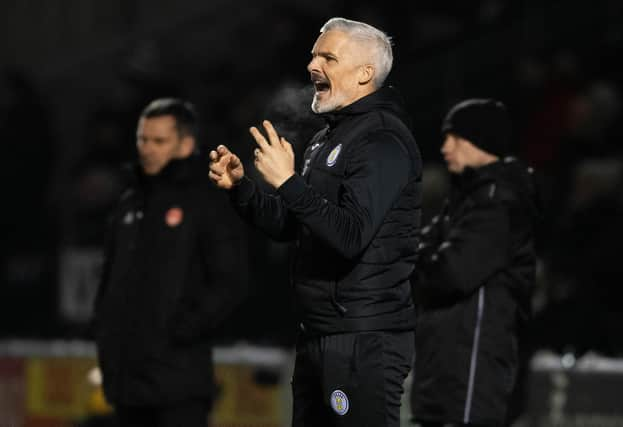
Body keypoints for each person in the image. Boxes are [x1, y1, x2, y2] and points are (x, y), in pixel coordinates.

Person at [209, 17, 422, 427]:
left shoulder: (382, 140)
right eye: (312, 54)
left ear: (365, 74)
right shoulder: (327, 137)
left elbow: (349, 235)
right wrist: (243, 190)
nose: (311, 65)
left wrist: (289, 182)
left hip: (363, 337)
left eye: (328, 56)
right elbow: (293, 225)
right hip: (320, 333)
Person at [93, 98, 247, 427]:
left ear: (186, 144)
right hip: (125, 383)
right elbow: (110, 280)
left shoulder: (206, 201)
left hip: (179, 384)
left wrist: (181, 329)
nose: (147, 148)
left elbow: (230, 281)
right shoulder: (128, 202)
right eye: (142, 139)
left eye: (159, 141)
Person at [410, 99, 540, 427]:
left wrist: (420, 258)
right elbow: (415, 250)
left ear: (479, 140)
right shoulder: (467, 198)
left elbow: (450, 272)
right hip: (447, 372)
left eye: (454, 137)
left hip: (472, 378)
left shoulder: (498, 202)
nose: (444, 147)